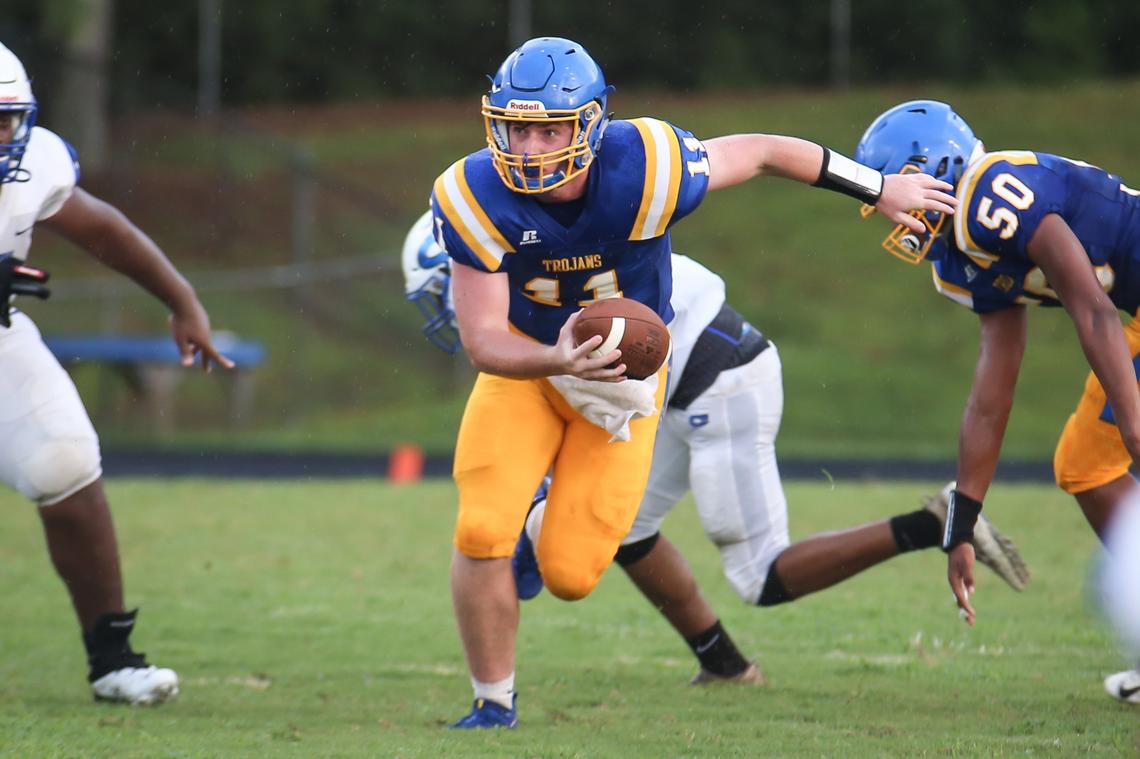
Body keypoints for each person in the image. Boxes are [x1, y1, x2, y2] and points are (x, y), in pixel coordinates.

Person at [429, 37, 956, 729]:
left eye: (548, 128)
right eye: (516, 127)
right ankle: (493, 703)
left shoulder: (648, 165)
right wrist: (557, 357)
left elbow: (766, 150)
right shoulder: (471, 192)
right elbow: (482, 340)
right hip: (530, 368)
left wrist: (880, 186)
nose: (527, 147)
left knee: (570, 573)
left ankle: (540, 522)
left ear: (588, 124)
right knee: (479, 527)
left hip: (623, 385)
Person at [404, 212, 1028, 692]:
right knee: (620, 530)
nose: (452, 306)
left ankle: (930, 523)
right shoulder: (546, 264)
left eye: (446, 288)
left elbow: (593, 391)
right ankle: (725, 667)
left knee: (760, 575)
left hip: (717, 377)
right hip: (672, 388)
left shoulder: (551, 277)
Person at [853, 99, 1140, 703]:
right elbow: (992, 393)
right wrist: (963, 522)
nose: (896, 215)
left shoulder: (990, 191)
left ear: (936, 166)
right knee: (1085, 468)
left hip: (1122, 315)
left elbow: (1091, 308)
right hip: (1132, 316)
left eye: (896, 189)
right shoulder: (959, 262)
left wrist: (1135, 424)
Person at [0, 42, 233, 704]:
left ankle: (112, 659)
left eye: (4, 120)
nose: (0, 136)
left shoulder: (33, 166)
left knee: (63, 459)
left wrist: (180, 298)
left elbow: (104, 229)